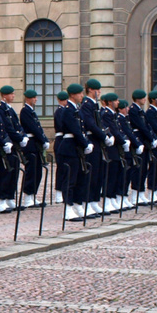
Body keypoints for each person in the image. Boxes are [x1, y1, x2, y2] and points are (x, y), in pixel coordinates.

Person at [56, 83, 93, 221]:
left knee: (79, 178)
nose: (82, 96)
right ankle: (68, 209)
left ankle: (78, 205)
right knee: (70, 180)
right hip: (70, 148)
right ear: (72, 95)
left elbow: (81, 129)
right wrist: (85, 143)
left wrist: (86, 143)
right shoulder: (67, 110)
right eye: (80, 93)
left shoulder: (77, 109)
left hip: (77, 147)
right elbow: (75, 130)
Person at [79, 78, 110, 216]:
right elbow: (90, 124)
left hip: (97, 141)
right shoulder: (86, 104)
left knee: (98, 173)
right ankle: (87, 201)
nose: (99, 92)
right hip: (92, 139)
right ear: (90, 90)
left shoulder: (94, 105)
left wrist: (105, 134)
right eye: (97, 90)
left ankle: (94, 201)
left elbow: (99, 122)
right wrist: (103, 136)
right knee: (91, 174)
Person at [0, 85, 29, 211]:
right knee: (6, 172)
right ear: (5, 95)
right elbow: (7, 128)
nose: (13, 96)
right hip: (8, 143)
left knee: (14, 172)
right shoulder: (1, 109)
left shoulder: (9, 109)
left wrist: (23, 136)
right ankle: (2, 198)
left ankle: (10, 197)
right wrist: (19, 138)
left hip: (14, 144)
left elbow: (17, 126)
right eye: (11, 94)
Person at [18, 89, 49, 207]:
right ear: (28, 98)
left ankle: (33, 195)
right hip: (30, 144)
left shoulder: (31, 111)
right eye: (34, 98)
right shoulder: (25, 111)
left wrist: (44, 139)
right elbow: (33, 128)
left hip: (36, 144)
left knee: (37, 171)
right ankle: (28, 197)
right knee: (31, 171)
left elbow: (39, 128)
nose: (36, 99)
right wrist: (42, 139)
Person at [127, 89, 156, 204]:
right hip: (139, 138)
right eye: (143, 98)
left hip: (144, 140)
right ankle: (135, 194)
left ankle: (140, 192)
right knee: (138, 169)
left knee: (143, 168)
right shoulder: (133, 110)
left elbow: (146, 125)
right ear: (138, 99)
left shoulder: (140, 111)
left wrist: (152, 137)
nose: (145, 99)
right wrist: (150, 137)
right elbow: (141, 126)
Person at [116, 99, 144, 209]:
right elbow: (126, 133)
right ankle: (120, 196)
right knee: (123, 175)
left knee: (127, 174)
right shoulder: (120, 119)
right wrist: (136, 144)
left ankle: (124, 196)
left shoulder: (125, 119)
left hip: (129, 149)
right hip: (124, 149)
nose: (127, 109)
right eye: (125, 107)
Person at [52, 91, 69, 203]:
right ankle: (59, 192)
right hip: (60, 140)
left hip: (64, 140)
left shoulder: (65, 110)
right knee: (61, 168)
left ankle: (63, 190)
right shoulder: (59, 111)